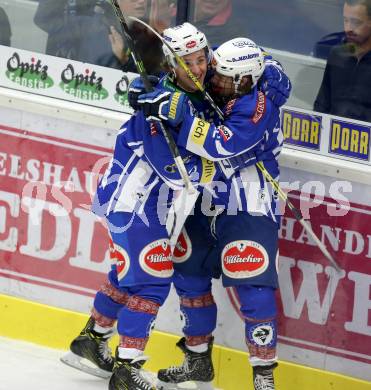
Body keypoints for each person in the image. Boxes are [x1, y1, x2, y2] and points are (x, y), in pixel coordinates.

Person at [62, 23, 290, 390]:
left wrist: (184, 114)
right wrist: (164, 109)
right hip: (140, 204)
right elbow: (178, 172)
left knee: (134, 274)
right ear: (171, 65)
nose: (203, 72)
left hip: (208, 204)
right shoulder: (164, 102)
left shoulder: (225, 92)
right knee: (160, 279)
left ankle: (91, 339)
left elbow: (219, 142)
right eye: (190, 63)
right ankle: (130, 367)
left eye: (204, 60)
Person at [135, 37, 284, 390]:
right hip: (202, 194)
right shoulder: (235, 71)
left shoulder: (258, 107)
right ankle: (197, 359)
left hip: (248, 199)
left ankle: (263, 376)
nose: (213, 80)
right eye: (215, 72)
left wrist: (180, 113)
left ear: (247, 80)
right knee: (188, 273)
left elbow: (219, 144)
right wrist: (146, 85)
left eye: (224, 78)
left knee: (253, 284)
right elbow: (186, 65)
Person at [34, 0, 163, 74]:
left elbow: (150, 83)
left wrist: (124, 61)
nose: (141, 2)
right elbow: (44, 19)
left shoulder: (150, 37)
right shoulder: (89, 25)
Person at [314, 0, 371, 122]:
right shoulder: (337, 54)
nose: (348, 28)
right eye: (346, 20)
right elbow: (322, 105)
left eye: (356, 22)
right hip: (332, 136)